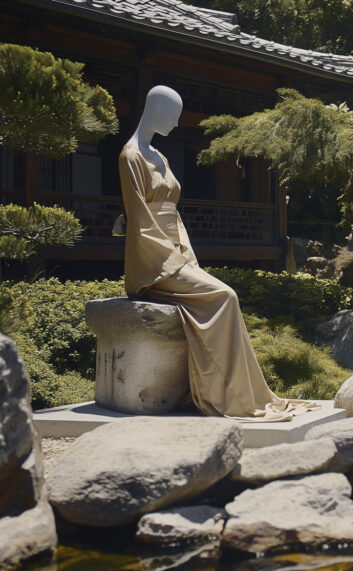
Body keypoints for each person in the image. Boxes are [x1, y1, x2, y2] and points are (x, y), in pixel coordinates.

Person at [119, 85, 317, 421]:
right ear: (155, 109)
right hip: (151, 262)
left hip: (173, 254)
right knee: (225, 296)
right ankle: (226, 394)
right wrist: (170, 262)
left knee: (226, 297)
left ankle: (245, 391)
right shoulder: (131, 157)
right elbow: (139, 221)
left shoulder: (160, 156)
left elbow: (173, 216)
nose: (177, 124)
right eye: (173, 115)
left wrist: (185, 256)